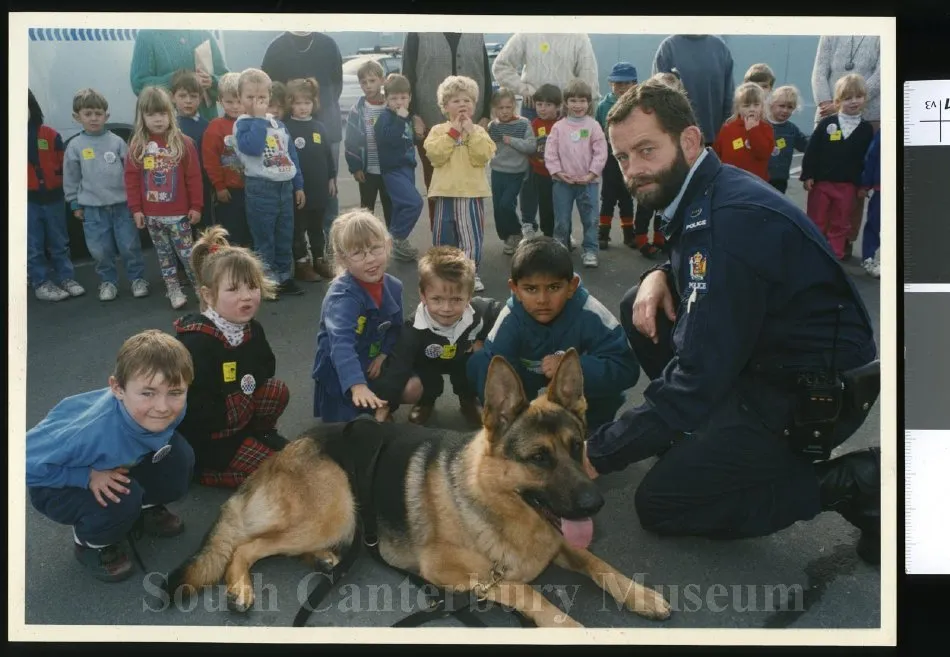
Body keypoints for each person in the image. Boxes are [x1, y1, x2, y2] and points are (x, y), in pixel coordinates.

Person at [585, 79, 881, 565]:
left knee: (662, 504)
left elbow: (699, 375)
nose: (634, 171)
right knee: (640, 301)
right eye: (622, 158)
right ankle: (696, 438)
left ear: (688, 141)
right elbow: (709, 276)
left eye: (645, 150)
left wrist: (597, 453)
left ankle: (854, 483)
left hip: (809, 398)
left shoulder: (726, 223)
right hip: (767, 361)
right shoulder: (704, 189)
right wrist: (662, 272)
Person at [26, 330, 196, 583]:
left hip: (119, 461)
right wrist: (86, 475)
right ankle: (91, 542)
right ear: (117, 388)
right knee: (121, 500)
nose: (162, 407)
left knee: (179, 459)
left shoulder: (172, 409)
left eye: (174, 392)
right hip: (55, 481)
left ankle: (145, 507)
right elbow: (21, 461)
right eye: (147, 393)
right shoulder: (86, 431)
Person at [467, 236, 640, 435]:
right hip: (526, 375)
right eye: (531, 289)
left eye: (554, 287)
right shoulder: (510, 318)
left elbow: (626, 368)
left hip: (573, 392)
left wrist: (576, 368)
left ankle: (589, 429)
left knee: (607, 391)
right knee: (482, 363)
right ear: (515, 289)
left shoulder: (591, 312)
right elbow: (496, 371)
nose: (543, 300)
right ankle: (515, 429)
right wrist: (515, 417)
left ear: (571, 286)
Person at [174, 226, 290, 489]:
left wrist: (243, 388)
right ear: (208, 295)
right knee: (274, 475)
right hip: (210, 438)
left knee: (276, 390)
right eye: (233, 290)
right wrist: (235, 400)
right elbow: (191, 410)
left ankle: (259, 434)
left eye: (252, 287)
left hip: (240, 418)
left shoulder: (251, 328)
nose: (246, 296)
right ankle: (202, 471)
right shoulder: (197, 341)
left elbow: (267, 367)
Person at [373, 246, 504, 426]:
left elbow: (507, 318)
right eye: (437, 299)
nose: (446, 309)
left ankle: (468, 400)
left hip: (462, 357)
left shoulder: (480, 312)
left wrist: (487, 344)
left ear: (469, 296)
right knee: (426, 378)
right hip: (427, 363)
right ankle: (426, 402)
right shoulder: (412, 329)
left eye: (456, 299)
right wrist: (384, 407)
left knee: (472, 367)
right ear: (423, 296)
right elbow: (398, 369)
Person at [491, 32, 601, 231]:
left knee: (560, 171)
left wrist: (586, 115)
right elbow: (500, 66)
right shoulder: (527, 33)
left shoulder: (579, 37)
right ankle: (528, 223)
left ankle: (559, 227)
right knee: (531, 170)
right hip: (534, 107)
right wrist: (525, 90)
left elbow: (589, 77)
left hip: (564, 110)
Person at [311, 210, 406, 423]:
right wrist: (357, 385)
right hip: (340, 371)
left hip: (371, 362)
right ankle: (366, 406)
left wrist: (383, 355)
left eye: (375, 248)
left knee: (412, 387)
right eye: (358, 253)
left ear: (388, 246)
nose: (370, 259)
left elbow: (395, 328)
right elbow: (341, 345)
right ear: (343, 259)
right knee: (349, 431)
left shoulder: (394, 287)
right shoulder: (343, 297)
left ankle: (380, 407)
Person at [63, 88, 148, 302]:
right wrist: (74, 203)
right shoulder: (75, 146)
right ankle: (108, 282)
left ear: (106, 116)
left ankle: (137, 279)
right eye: (88, 114)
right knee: (100, 250)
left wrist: (137, 199)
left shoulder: (117, 142)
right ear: (77, 117)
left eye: (98, 113)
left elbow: (131, 172)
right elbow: (71, 177)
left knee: (129, 245)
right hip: (92, 209)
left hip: (122, 206)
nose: (93, 118)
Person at [401, 32, 494, 229]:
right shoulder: (417, 31)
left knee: (471, 182)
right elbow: (407, 74)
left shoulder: (476, 30)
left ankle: (470, 237)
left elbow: (486, 73)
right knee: (437, 187)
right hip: (429, 121)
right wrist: (413, 113)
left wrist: (486, 113)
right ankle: (442, 242)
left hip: (472, 124)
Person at [123, 86, 203, 310]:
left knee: (188, 255)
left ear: (171, 113)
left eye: (162, 113)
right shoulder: (138, 146)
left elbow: (194, 178)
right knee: (164, 256)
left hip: (179, 216)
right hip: (153, 217)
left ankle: (200, 288)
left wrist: (196, 205)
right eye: (151, 114)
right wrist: (136, 209)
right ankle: (173, 289)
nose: (158, 119)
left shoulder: (183, 143)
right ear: (142, 116)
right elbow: (131, 179)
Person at [260, 31, 344, 244]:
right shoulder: (276, 48)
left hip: (326, 126)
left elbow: (336, 85)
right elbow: (270, 89)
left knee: (327, 189)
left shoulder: (328, 44)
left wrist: (317, 109)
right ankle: (297, 250)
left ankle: (330, 246)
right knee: (293, 189)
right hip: (289, 130)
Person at [232, 67, 306, 298]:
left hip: (284, 186)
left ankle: (284, 276)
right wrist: (257, 119)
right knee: (264, 237)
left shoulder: (278, 125)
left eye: (261, 98)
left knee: (285, 233)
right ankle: (267, 280)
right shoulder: (243, 124)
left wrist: (298, 185)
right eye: (250, 98)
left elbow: (290, 154)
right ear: (240, 98)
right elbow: (252, 147)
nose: (256, 103)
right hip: (261, 188)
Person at [423, 75, 497, 293]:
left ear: (474, 106)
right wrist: (453, 132)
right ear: (445, 107)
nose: (462, 104)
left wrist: (471, 132)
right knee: (443, 237)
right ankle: (443, 273)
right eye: (456, 101)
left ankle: (470, 273)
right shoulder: (438, 131)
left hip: (470, 194)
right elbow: (435, 155)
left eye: (467, 100)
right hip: (445, 193)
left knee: (470, 237)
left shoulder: (480, 132)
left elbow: (482, 156)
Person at [810, 35, 881, 260]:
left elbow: (882, 73)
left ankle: (844, 241)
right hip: (829, 109)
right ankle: (816, 241)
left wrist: (854, 97)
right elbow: (819, 71)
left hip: (868, 115)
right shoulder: (831, 32)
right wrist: (829, 104)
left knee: (853, 186)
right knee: (822, 186)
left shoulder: (878, 33)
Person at [800, 74, 875, 261]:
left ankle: (835, 256)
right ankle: (814, 253)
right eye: (848, 98)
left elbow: (868, 159)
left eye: (858, 97)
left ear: (865, 98)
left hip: (848, 186)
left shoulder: (866, 130)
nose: (853, 102)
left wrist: (863, 185)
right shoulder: (827, 124)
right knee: (816, 220)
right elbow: (812, 151)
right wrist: (808, 175)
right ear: (838, 101)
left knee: (841, 222)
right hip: (821, 184)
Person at [27, 89, 85, 302]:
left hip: (53, 198)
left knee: (59, 241)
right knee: (33, 245)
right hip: (28, 201)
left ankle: (66, 277)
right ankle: (41, 282)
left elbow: (65, 166)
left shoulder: (50, 135)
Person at [544, 78, 608, 268]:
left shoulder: (593, 126)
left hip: (588, 183)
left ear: (589, 103)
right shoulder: (559, 127)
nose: (578, 105)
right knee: (561, 221)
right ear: (566, 102)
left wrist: (591, 174)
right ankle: (560, 251)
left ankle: (590, 250)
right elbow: (550, 152)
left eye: (582, 101)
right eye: (573, 100)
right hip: (562, 183)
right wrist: (558, 172)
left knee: (590, 220)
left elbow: (601, 152)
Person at [283, 77, 337, 282]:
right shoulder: (286, 128)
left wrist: (332, 178)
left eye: (307, 103)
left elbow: (327, 155)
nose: (303, 107)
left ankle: (319, 259)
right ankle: (302, 263)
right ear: (290, 104)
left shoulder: (319, 127)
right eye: (298, 103)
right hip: (299, 191)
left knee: (317, 227)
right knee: (299, 229)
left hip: (319, 188)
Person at [374, 74, 424, 263]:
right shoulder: (386, 118)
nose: (399, 102)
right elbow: (390, 139)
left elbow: (407, 140)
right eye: (394, 98)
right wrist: (401, 120)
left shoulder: (407, 117)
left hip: (407, 167)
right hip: (392, 170)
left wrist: (417, 135)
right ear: (386, 99)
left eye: (403, 98)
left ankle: (396, 245)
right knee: (414, 203)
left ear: (410, 98)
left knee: (401, 206)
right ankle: (396, 239)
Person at [652, 34, 735, 146]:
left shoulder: (720, 48)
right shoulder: (668, 48)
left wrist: (725, 135)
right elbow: (657, 99)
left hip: (715, 141)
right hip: (679, 141)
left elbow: (729, 98)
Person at [129, 29, 229, 122]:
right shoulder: (147, 35)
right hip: (167, 125)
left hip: (207, 123)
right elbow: (139, 83)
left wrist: (212, 81)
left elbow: (227, 80)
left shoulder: (203, 33)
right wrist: (178, 80)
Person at [202, 72, 252, 249]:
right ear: (220, 101)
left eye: (239, 101)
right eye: (229, 102)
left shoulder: (255, 122)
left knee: (251, 230)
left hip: (254, 187)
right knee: (232, 232)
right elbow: (211, 160)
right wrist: (219, 186)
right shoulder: (215, 127)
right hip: (230, 191)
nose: (235, 106)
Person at [343, 59, 393, 229]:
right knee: (367, 210)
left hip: (389, 170)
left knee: (391, 208)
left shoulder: (391, 106)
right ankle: (368, 241)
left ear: (382, 80)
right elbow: (350, 141)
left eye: (372, 81)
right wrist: (355, 167)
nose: (368, 86)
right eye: (363, 82)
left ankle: (393, 244)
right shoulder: (357, 110)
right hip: (367, 170)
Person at [487, 88, 537, 254]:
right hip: (497, 171)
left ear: (514, 106)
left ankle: (517, 231)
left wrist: (512, 141)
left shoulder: (523, 123)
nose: (505, 111)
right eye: (501, 108)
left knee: (506, 204)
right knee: (497, 207)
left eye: (508, 107)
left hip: (516, 172)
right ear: (495, 109)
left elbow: (531, 146)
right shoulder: (492, 126)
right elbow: (487, 147)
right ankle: (508, 237)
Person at [595, 62, 640, 250]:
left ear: (635, 85)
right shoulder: (603, 106)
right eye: (617, 83)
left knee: (627, 196)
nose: (621, 88)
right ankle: (603, 234)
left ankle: (629, 235)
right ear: (610, 83)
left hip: (630, 157)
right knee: (608, 196)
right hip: (609, 157)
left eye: (625, 83)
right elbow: (597, 132)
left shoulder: (638, 105)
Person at [171, 70, 214, 235]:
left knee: (204, 230)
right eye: (182, 96)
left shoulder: (206, 126)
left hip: (202, 187)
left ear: (201, 98)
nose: (188, 101)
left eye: (193, 96)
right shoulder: (170, 126)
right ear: (172, 97)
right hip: (177, 188)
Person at [711, 82, 775, 182]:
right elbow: (717, 153)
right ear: (738, 108)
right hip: (730, 181)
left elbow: (763, 153)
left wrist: (753, 131)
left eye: (756, 105)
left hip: (756, 182)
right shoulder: (728, 128)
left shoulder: (766, 128)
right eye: (746, 106)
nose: (752, 109)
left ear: (762, 106)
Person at [526, 83, 563, 240]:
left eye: (548, 105)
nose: (542, 108)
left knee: (561, 206)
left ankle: (563, 233)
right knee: (545, 205)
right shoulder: (534, 124)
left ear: (558, 106)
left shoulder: (563, 124)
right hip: (540, 173)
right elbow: (528, 147)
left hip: (561, 175)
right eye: (539, 104)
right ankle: (548, 235)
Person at [767, 85, 810, 194]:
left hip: (780, 179)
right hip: (760, 177)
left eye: (790, 107)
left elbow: (807, 146)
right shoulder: (762, 125)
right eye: (781, 106)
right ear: (772, 105)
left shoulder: (792, 130)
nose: (785, 110)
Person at [859, 129, 881, 278]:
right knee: (875, 223)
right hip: (883, 187)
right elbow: (872, 156)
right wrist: (865, 184)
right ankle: (869, 258)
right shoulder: (885, 130)